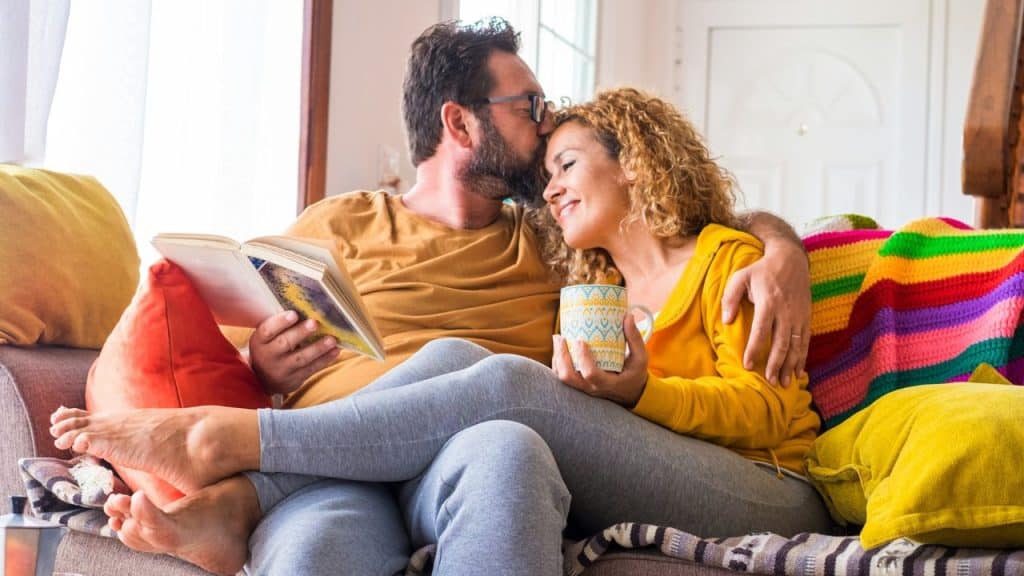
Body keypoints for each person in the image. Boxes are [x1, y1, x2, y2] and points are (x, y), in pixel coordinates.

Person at [50, 20, 818, 576]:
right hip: (343, 468)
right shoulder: (337, 221)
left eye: (565, 147)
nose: (547, 129)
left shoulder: (555, 244)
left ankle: (239, 463)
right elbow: (238, 331)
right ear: (459, 121)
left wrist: (785, 249)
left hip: (465, 455)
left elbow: (685, 224)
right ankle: (255, 479)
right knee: (315, 552)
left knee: (508, 442)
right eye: (530, 108)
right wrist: (263, 362)